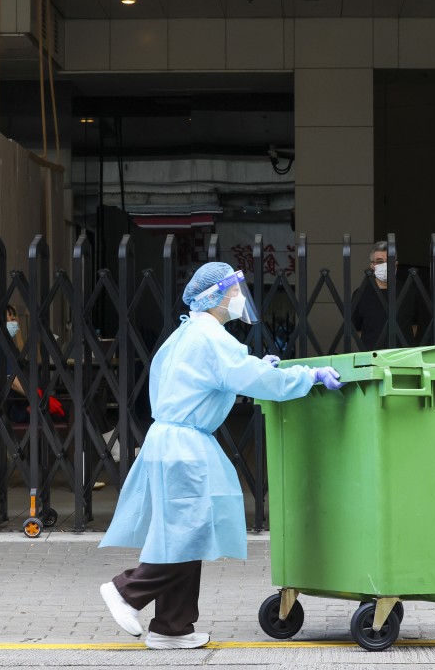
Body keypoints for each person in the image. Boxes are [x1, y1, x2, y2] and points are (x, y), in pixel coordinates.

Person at [98, 262, 343, 649]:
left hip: (170, 441)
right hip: (184, 448)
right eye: (233, 291)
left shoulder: (187, 334)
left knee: (183, 534)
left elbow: (219, 376)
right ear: (215, 296)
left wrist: (253, 368)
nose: (238, 298)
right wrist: (306, 377)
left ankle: (171, 627)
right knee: (188, 532)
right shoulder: (212, 338)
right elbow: (254, 380)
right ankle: (127, 590)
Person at [352, 241, 422, 350]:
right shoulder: (360, 293)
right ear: (372, 266)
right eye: (379, 261)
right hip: (373, 355)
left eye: (389, 261)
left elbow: (415, 324)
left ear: (396, 265)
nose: (385, 265)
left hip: (403, 354)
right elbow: (356, 328)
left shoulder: (408, 291)